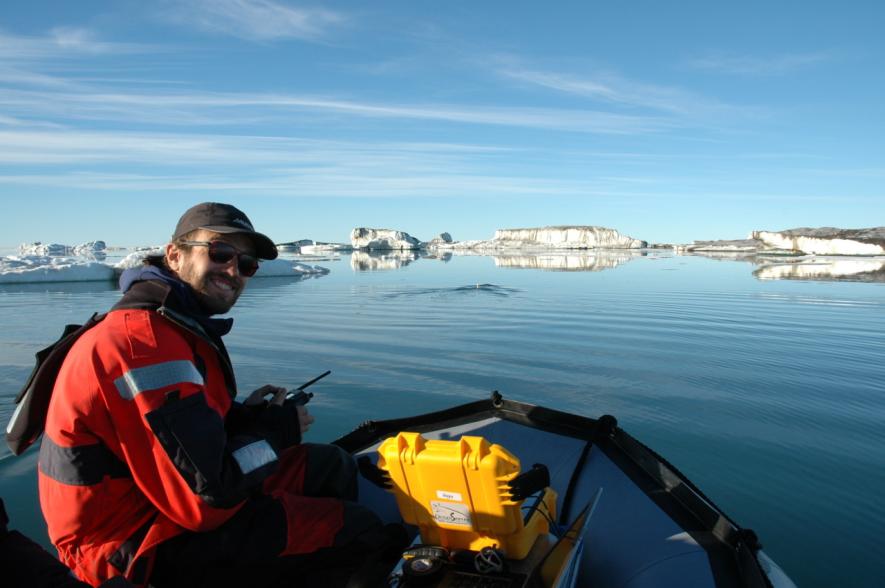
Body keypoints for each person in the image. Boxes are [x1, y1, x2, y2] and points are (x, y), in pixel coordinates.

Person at [37, 203, 401, 587]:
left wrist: (247, 417)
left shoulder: (172, 325)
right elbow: (208, 500)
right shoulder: (140, 345)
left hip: (166, 503)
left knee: (330, 465)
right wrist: (276, 431)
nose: (234, 271)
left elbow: (184, 439)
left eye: (247, 264)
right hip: (133, 544)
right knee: (357, 529)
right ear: (175, 255)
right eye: (221, 253)